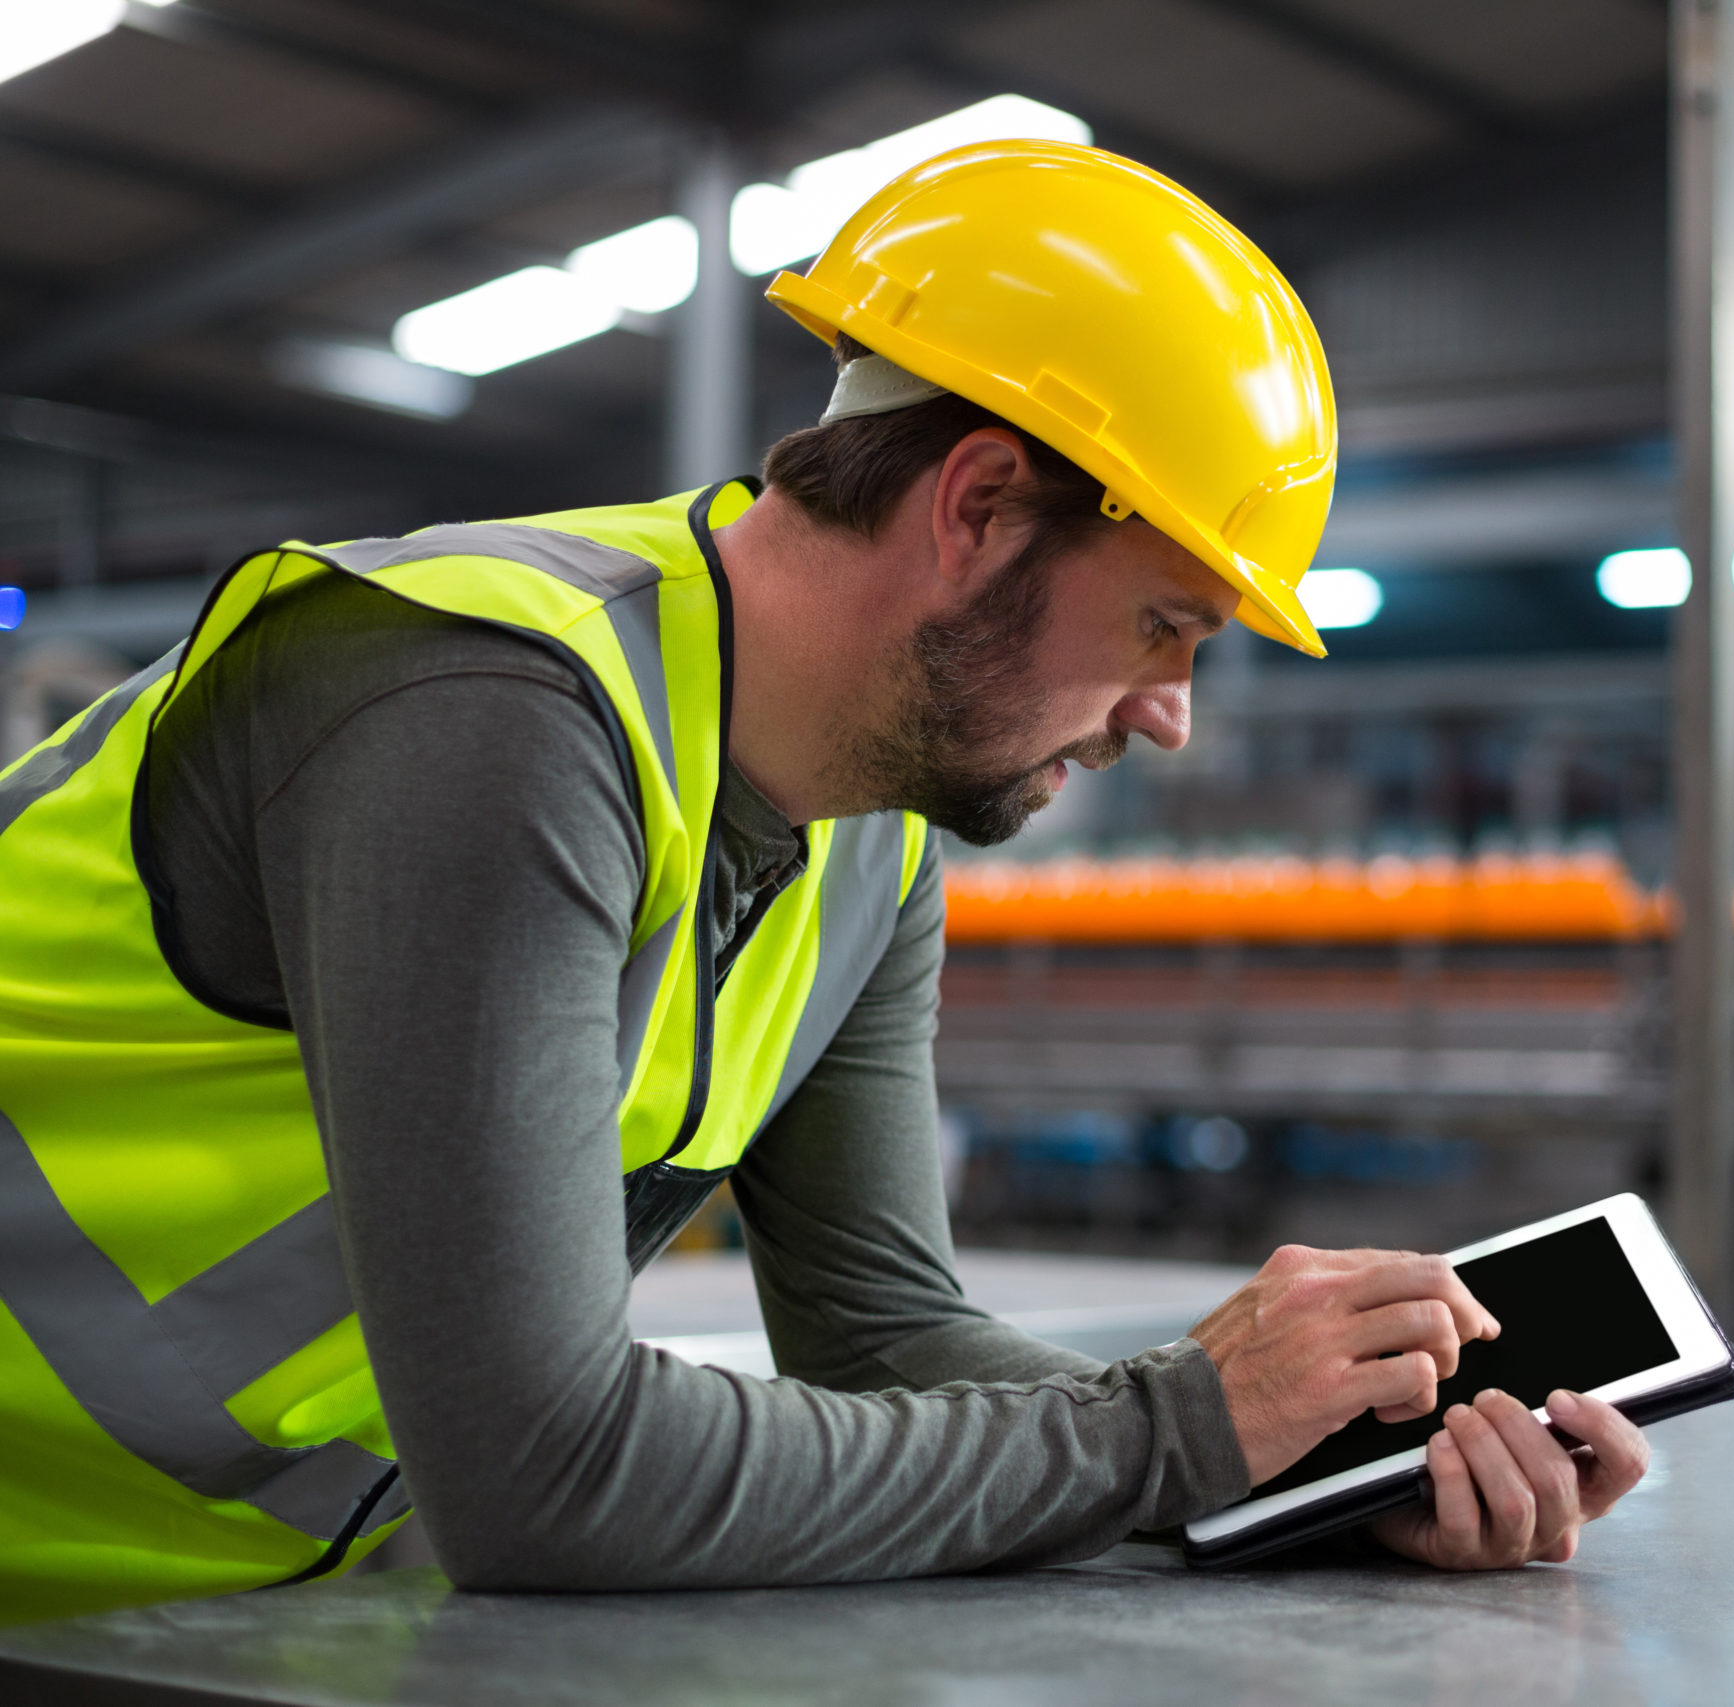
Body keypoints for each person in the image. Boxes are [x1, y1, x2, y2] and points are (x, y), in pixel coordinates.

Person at [0, 140, 1648, 1625]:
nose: (1169, 714)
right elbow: (547, 1475)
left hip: (204, 1606)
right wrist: (1175, 1432)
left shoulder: (878, 832)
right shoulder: (488, 714)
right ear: (980, 505)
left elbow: (885, 1337)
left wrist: (1291, 1478)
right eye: (1165, 625)